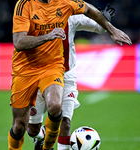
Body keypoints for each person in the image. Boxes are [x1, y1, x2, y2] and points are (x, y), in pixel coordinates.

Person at [8, 0, 132, 149]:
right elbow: (19, 41)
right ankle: (39, 135)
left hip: (61, 72)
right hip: (28, 70)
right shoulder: (25, 5)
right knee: (29, 129)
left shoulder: (70, 10)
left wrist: (106, 22)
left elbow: (96, 23)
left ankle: (47, 147)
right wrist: (48, 35)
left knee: (63, 120)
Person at [27, 4, 115, 150]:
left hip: (66, 76)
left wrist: (103, 18)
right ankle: (41, 134)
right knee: (32, 130)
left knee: (65, 122)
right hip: (39, 75)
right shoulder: (33, 17)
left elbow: (99, 28)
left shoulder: (71, 17)